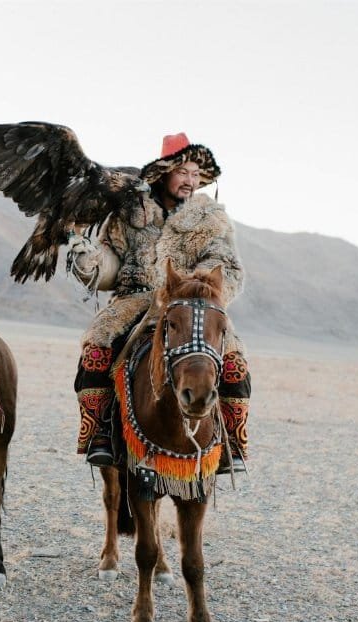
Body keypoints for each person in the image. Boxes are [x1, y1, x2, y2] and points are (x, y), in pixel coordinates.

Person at [68, 133, 251, 473]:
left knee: (234, 361)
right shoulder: (129, 210)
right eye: (183, 172)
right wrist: (89, 261)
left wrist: (193, 287)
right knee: (96, 347)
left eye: (196, 174)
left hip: (193, 303)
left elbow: (226, 266)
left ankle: (232, 443)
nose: (190, 180)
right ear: (165, 173)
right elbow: (112, 262)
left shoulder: (211, 219)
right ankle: (100, 434)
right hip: (135, 299)